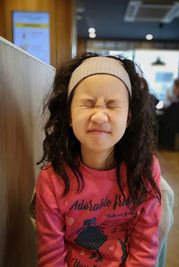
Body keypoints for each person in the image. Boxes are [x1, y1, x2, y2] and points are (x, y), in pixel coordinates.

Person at [35, 52, 161, 267]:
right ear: (69, 116)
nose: (100, 116)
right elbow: (51, 257)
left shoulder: (144, 169)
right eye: (88, 103)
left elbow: (144, 250)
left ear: (128, 118)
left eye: (112, 105)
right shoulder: (53, 179)